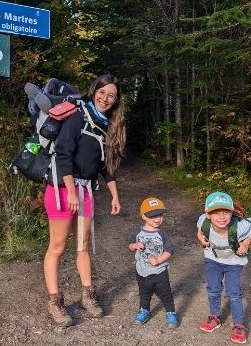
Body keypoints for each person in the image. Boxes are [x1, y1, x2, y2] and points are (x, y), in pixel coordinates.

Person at [43, 74, 126, 327]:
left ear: (116, 100)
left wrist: (114, 195)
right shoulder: (78, 116)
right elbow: (63, 153)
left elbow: (105, 166)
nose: (105, 98)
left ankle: (88, 296)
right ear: (94, 92)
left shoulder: (106, 126)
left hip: (86, 190)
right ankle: (55, 302)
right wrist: (70, 191)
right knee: (58, 247)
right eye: (102, 93)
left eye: (111, 95)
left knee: (83, 245)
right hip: (62, 189)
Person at [196, 191, 251, 344]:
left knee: (233, 292)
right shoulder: (203, 221)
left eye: (226, 212)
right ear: (208, 214)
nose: (221, 217)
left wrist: (245, 244)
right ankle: (215, 316)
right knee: (213, 288)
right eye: (216, 212)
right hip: (212, 259)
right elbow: (199, 227)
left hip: (234, 262)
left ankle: (239, 324)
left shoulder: (240, 227)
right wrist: (200, 236)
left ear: (231, 212)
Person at [130, 197, 178, 328]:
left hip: (159, 271)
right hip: (142, 270)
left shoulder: (162, 234)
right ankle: (144, 310)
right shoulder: (137, 232)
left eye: (160, 215)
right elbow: (130, 246)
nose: (158, 219)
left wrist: (158, 260)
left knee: (165, 293)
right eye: (153, 216)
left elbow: (169, 251)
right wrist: (134, 245)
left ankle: (170, 312)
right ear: (144, 216)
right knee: (144, 292)